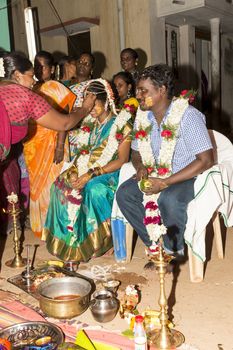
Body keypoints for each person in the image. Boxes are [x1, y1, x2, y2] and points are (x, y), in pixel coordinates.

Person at [116, 64, 214, 259]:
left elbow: (206, 160)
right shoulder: (142, 117)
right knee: (125, 194)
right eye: (137, 90)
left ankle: (172, 251)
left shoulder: (188, 116)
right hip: (154, 173)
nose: (138, 95)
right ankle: (155, 245)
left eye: (144, 90)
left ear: (161, 90)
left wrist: (165, 182)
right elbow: (135, 152)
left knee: (168, 198)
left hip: (187, 176)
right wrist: (140, 165)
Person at [0, 52, 95, 235]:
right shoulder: (24, 94)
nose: (33, 80)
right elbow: (65, 123)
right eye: (30, 76)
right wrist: (85, 108)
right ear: (18, 75)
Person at [42, 79, 132, 262]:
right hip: (87, 168)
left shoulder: (122, 123)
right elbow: (82, 155)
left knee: (92, 189)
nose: (90, 109)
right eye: (87, 105)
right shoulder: (89, 125)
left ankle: (101, 243)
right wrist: (76, 171)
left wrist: (91, 174)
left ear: (106, 101)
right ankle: (66, 242)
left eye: (94, 104)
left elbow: (122, 160)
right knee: (60, 185)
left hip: (110, 173)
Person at [23, 51, 76, 237]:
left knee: (54, 186)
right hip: (33, 148)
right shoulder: (32, 88)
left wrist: (60, 146)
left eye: (42, 66)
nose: (38, 69)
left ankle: (57, 229)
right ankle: (42, 228)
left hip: (53, 144)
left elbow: (66, 117)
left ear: (52, 69)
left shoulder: (56, 87)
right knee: (37, 187)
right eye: (36, 66)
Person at [69, 52, 95, 159]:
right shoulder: (67, 86)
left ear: (91, 69)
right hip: (68, 130)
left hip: (86, 131)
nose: (82, 65)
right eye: (80, 62)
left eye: (86, 64)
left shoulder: (94, 85)